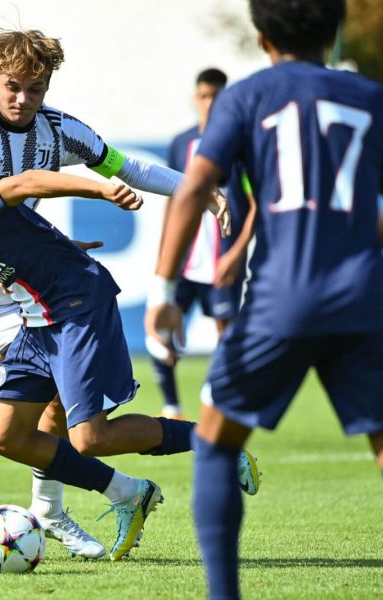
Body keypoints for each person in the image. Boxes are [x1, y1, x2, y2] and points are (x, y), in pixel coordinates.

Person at [0, 27, 234, 561]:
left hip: (9, 293)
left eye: (36, 88)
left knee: (51, 410)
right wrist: (51, 241)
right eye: (14, 87)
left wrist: (196, 188)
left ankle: (49, 512)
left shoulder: (60, 130)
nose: (23, 99)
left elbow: (124, 166)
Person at [145, 0, 383, 597]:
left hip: (280, 301)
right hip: (363, 298)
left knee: (217, 441)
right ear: (334, 31)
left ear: (260, 36)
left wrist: (165, 290)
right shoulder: (371, 99)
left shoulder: (246, 98)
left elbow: (196, 186)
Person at [150, 68, 258, 420]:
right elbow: (174, 197)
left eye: (217, 96)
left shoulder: (241, 146)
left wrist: (239, 251)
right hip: (184, 262)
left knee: (226, 335)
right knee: (161, 327)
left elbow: (255, 201)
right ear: (195, 98)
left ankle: (216, 401)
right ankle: (172, 405)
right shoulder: (182, 143)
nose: (210, 103)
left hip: (221, 261)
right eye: (204, 95)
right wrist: (164, 255)